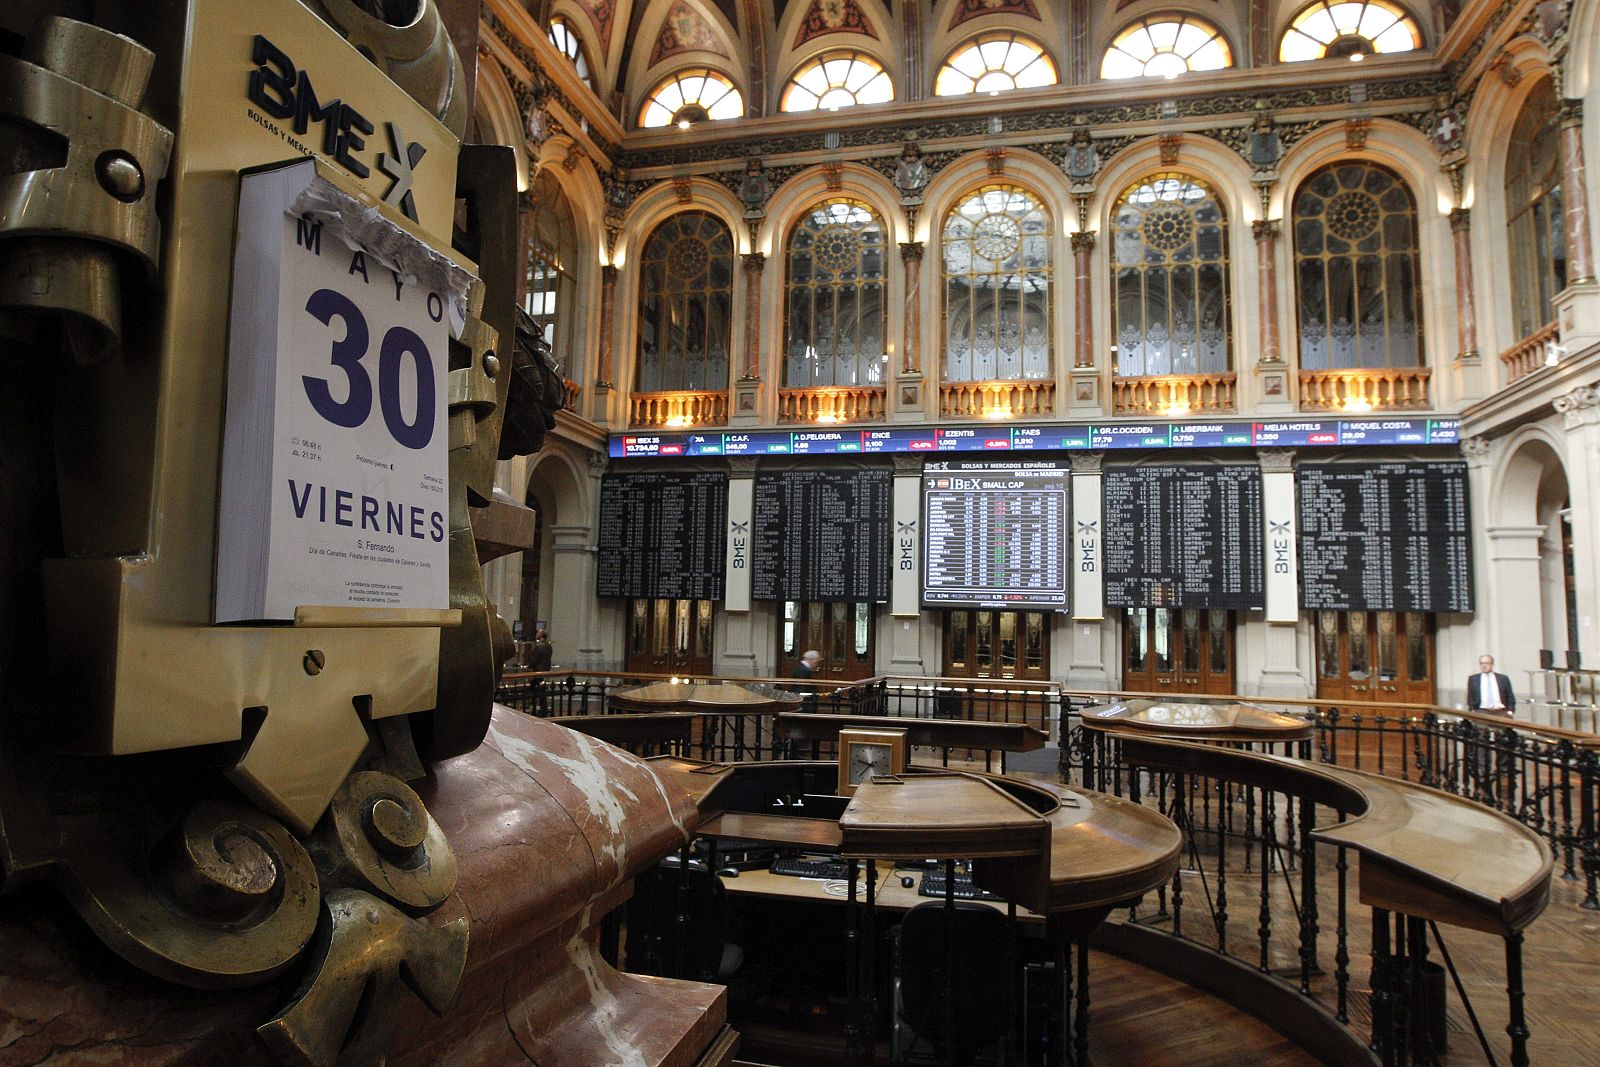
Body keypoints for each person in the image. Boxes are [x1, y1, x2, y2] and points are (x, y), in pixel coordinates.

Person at [1465, 653, 1514, 798]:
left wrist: (1510, 711)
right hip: (1482, 711)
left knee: (1502, 741)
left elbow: (1510, 696)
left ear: (1492, 664)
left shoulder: (1502, 679)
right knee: (1481, 740)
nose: (1483, 665)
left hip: (1500, 711)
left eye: (1486, 663)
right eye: (1481, 663)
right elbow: (1471, 697)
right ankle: (1482, 768)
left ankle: (1503, 767)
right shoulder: (1473, 679)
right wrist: (1473, 710)